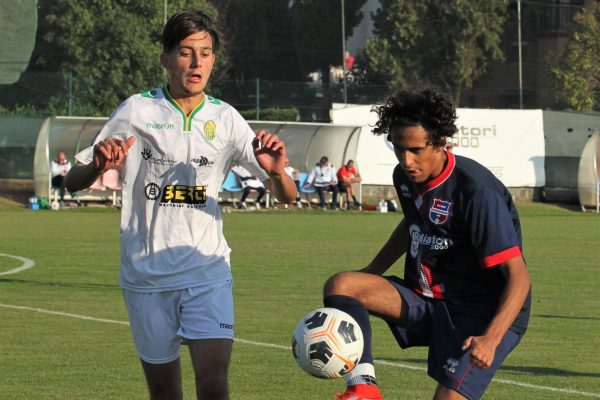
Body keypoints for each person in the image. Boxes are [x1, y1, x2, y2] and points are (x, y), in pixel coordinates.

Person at [65, 11, 296, 400]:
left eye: (205, 53)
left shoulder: (226, 119)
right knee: (165, 393)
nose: (196, 62)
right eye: (187, 52)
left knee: (213, 385)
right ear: (166, 59)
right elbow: (72, 183)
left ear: (214, 60)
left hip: (207, 271)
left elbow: (287, 197)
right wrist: (97, 165)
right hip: (146, 276)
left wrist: (276, 173)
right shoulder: (137, 110)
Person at [323, 87, 531, 400]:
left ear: (440, 143)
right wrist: (372, 271)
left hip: (483, 315)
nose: (406, 160)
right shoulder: (405, 177)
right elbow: (413, 224)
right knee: (344, 285)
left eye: (416, 150)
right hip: (429, 299)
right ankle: (364, 388)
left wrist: (490, 338)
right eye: (398, 148)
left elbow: (519, 277)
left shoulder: (476, 193)